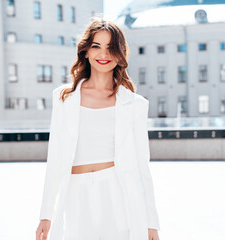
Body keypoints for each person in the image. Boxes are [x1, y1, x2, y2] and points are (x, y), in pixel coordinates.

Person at [35, 17, 161, 240]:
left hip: (116, 192)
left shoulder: (134, 104)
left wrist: (151, 223)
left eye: (111, 48)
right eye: (96, 46)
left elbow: (142, 167)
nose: (103, 54)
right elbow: (54, 158)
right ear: (85, 51)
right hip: (76, 193)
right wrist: (46, 214)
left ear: (120, 54)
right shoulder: (64, 98)